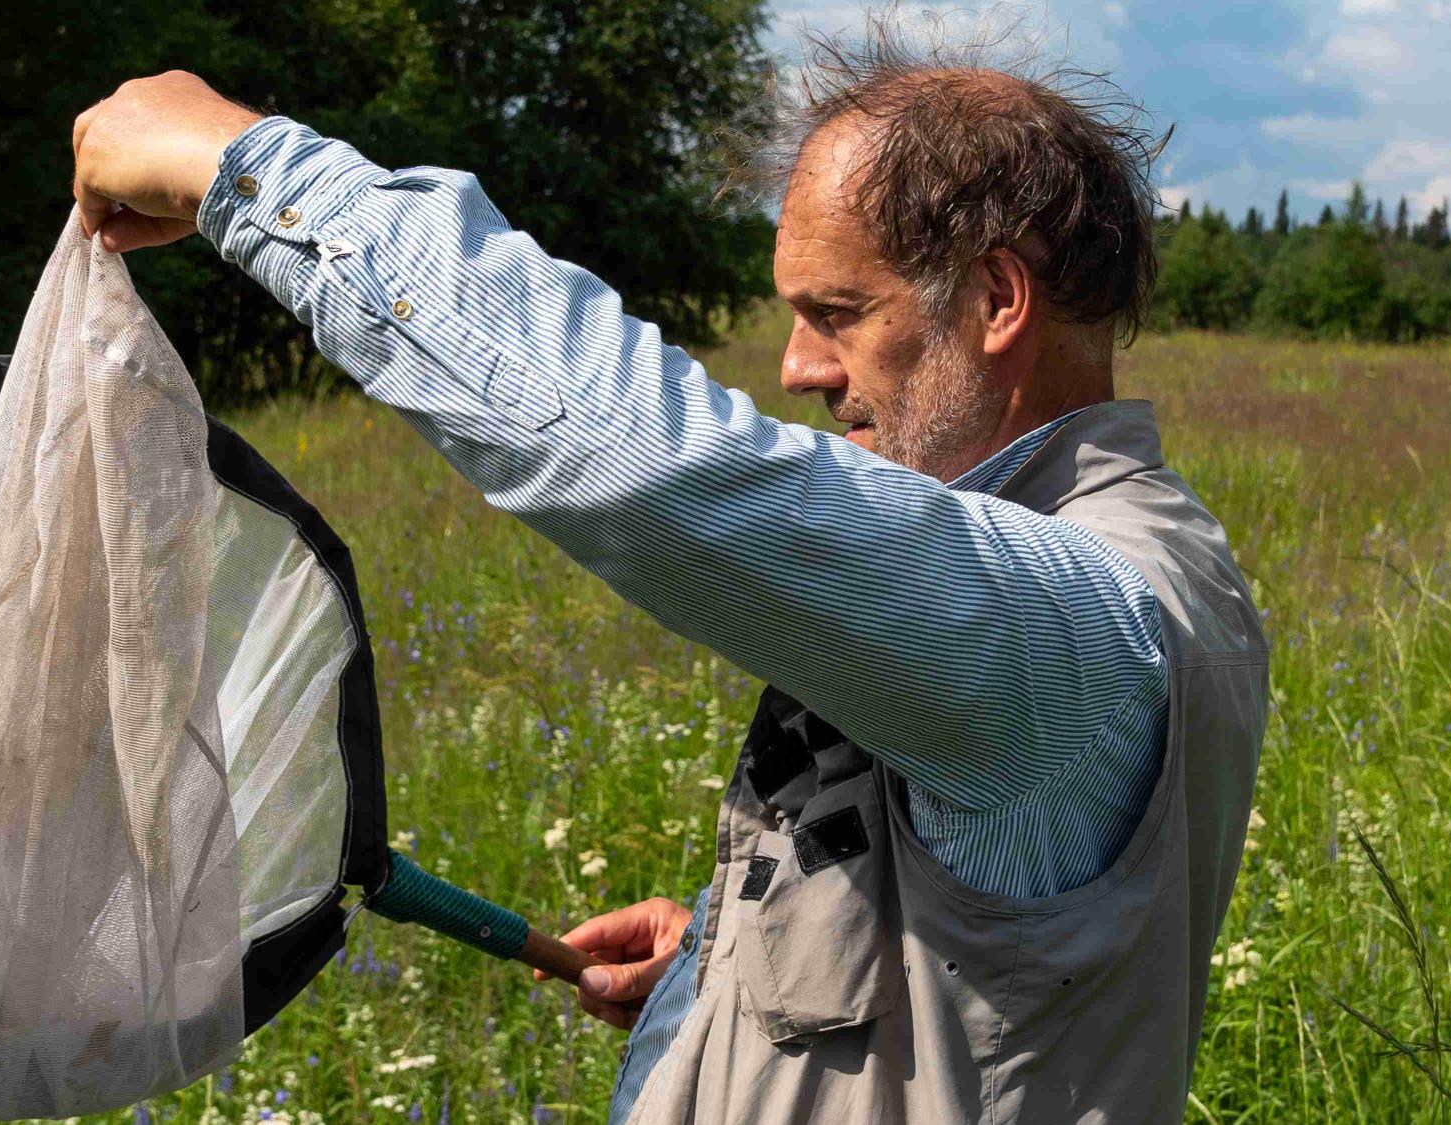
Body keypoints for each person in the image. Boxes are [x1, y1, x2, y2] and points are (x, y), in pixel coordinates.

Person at [71, 27, 1268, 1124]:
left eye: (837, 313)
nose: (797, 366)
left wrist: (248, 168)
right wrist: (733, 963)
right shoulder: (1030, 578)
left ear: (999, 299)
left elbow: (644, 465)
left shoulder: (1087, 619)